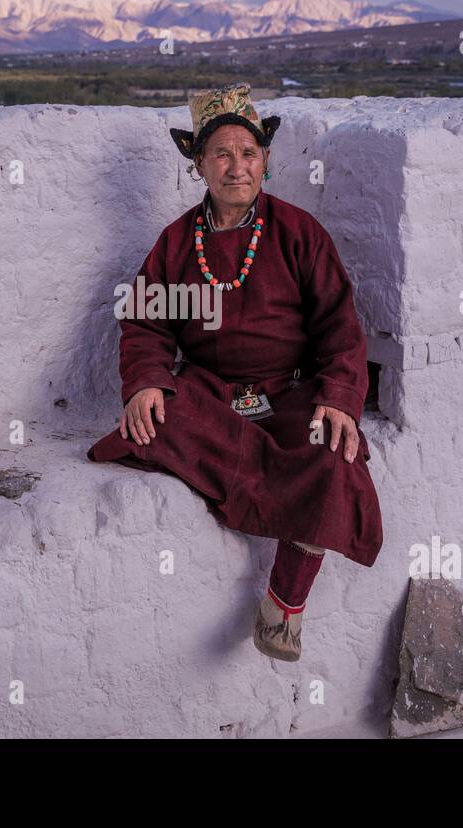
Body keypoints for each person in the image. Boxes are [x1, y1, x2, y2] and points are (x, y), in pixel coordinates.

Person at [87, 82, 383, 661]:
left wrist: (341, 396)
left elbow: (339, 327)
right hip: (214, 392)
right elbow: (146, 325)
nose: (236, 167)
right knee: (158, 420)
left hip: (290, 390)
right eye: (221, 154)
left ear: (266, 161)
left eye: (248, 153)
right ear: (199, 164)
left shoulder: (299, 234)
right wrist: (146, 379)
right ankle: (261, 472)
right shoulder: (177, 244)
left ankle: (283, 605)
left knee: (334, 451)